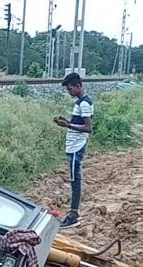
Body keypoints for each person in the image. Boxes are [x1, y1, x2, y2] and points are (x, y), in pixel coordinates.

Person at [54, 72, 93, 229]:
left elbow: (88, 128)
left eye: (70, 89)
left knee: (75, 181)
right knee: (74, 179)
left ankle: (73, 215)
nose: (69, 92)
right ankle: (73, 213)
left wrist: (68, 125)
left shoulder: (83, 103)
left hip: (76, 147)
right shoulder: (82, 102)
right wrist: (67, 122)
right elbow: (81, 123)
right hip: (75, 146)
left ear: (77, 86)